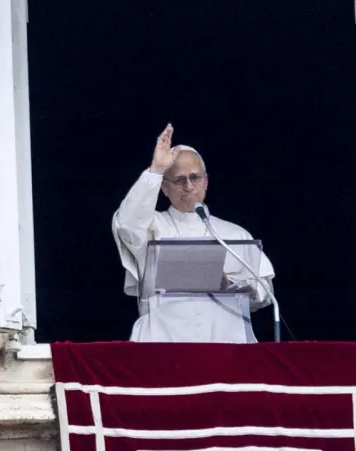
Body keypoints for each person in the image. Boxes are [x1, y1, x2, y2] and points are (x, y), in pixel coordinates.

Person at [111, 124, 275, 343]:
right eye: (179, 180)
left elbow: (264, 293)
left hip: (226, 345)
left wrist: (232, 286)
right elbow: (127, 224)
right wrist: (156, 170)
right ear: (165, 188)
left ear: (206, 182)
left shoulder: (235, 233)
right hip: (162, 344)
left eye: (195, 177)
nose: (188, 186)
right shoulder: (153, 228)